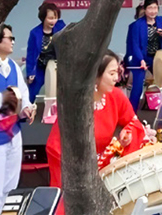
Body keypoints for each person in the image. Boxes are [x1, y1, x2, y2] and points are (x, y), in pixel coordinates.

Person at [46, 50, 145, 213]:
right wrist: (81, 174)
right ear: (95, 76)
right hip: (77, 172)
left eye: (118, 72)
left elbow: (134, 123)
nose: (116, 78)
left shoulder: (115, 96)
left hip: (106, 170)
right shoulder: (77, 105)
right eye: (111, 73)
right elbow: (55, 147)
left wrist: (127, 135)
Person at [0, 24, 35, 215]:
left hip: (13, 134)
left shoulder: (13, 66)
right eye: (9, 38)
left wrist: (26, 108)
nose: (13, 42)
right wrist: (1, 99)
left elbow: (22, 93)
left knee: (9, 187)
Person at [126, 0, 162, 113]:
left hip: (156, 58)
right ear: (145, 10)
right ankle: (131, 114)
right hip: (141, 58)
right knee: (138, 88)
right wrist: (141, 60)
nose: (153, 11)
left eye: (155, 8)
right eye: (150, 8)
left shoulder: (161, 20)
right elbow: (135, 45)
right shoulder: (138, 25)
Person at [25, 1, 67, 102]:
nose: (53, 21)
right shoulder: (34, 33)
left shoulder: (61, 28)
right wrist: (30, 72)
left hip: (57, 66)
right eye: (50, 18)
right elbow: (31, 54)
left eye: (55, 18)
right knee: (33, 92)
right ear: (43, 18)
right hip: (41, 67)